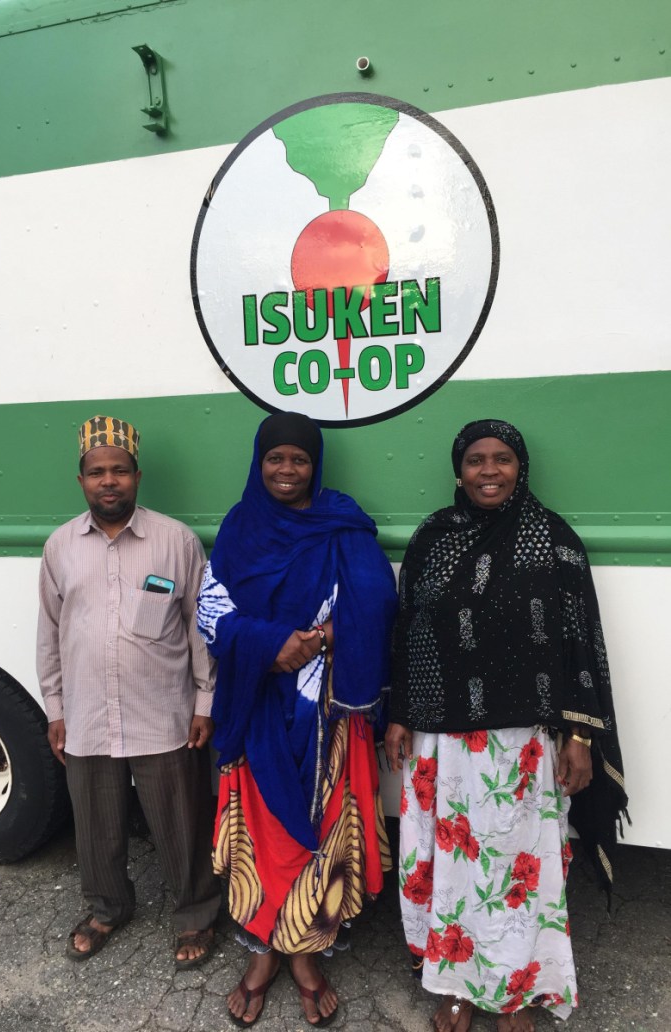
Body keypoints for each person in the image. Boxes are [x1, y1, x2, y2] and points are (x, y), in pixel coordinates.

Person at [385, 419, 628, 1032]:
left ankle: (516, 990)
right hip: (441, 737)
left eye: (502, 460)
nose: (488, 471)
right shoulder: (433, 537)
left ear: (521, 468)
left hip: (520, 743)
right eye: (475, 461)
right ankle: (456, 985)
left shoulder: (552, 539)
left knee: (519, 868)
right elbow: (409, 634)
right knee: (450, 864)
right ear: (457, 470)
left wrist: (578, 736)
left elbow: (579, 645)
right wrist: (400, 716)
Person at [197, 411, 397, 1027]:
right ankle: (261, 954)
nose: (287, 470)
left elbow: (379, 602)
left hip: (324, 710)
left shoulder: (341, 523)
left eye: (300, 459)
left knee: (320, 828)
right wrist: (273, 643)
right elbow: (211, 609)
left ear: (317, 465)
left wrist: (324, 637)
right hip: (256, 703)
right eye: (275, 458)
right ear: (259, 463)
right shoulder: (239, 526)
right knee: (259, 832)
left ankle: (307, 957)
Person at [37, 415, 220, 966]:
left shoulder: (175, 541)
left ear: (138, 477)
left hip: (162, 711)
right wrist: (55, 708)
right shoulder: (60, 546)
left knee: (180, 823)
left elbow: (199, 628)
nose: (108, 481)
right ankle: (107, 907)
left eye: (119, 470)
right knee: (94, 824)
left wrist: (204, 702)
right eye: (97, 472)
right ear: (82, 480)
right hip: (88, 713)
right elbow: (50, 632)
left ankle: (195, 915)